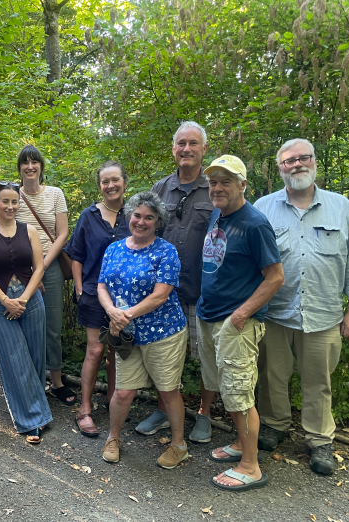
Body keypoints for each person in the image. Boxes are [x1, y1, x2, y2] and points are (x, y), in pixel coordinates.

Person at [254, 139, 349, 475]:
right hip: (274, 313)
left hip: (323, 314)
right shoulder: (263, 207)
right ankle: (274, 425)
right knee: (272, 374)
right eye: (289, 161)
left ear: (314, 162)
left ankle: (319, 440)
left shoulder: (340, 207)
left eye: (303, 158)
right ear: (279, 168)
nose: (297, 164)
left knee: (318, 380)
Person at [197, 155, 284, 491]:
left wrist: (242, 313)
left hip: (236, 323)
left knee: (239, 394)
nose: (217, 188)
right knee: (229, 390)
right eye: (213, 182)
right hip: (211, 316)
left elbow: (276, 278)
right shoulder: (219, 214)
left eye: (226, 181)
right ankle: (239, 444)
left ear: (242, 185)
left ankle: (251, 466)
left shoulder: (255, 223)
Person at [97, 192, 190, 469]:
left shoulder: (166, 251)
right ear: (129, 216)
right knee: (123, 392)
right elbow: (101, 285)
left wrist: (124, 315)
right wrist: (112, 312)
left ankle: (179, 445)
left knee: (168, 390)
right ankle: (113, 438)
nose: (141, 221)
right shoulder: (113, 249)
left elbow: (161, 295)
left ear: (158, 222)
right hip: (127, 334)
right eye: (137, 215)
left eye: (149, 217)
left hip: (163, 332)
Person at [139, 121, 216, 443]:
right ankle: (162, 409)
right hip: (165, 292)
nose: (186, 149)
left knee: (207, 357)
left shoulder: (215, 188)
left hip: (204, 291)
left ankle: (205, 414)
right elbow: (145, 234)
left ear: (203, 149)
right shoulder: (160, 190)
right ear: (173, 149)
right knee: (164, 354)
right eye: (181, 143)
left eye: (193, 143)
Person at [0, 182, 52, 443]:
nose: (10, 206)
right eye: (5, 201)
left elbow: (39, 268)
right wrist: (7, 300)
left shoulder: (29, 230)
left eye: (14, 201)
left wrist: (24, 299)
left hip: (31, 301)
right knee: (14, 359)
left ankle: (36, 407)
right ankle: (32, 419)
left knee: (34, 357)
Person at [64, 161, 130, 437]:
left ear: (125, 182)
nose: (110, 185)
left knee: (118, 352)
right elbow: (75, 255)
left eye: (115, 180)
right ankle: (85, 408)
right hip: (92, 292)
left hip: (127, 299)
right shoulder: (88, 216)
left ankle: (114, 404)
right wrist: (79, 290)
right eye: (105, 181)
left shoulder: (134, 214)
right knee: (95, 350)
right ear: (99, 186)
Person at [15, 145, 73, 404]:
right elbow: (7, 232)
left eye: (34, 162)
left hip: (49, 268)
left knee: (52, 328)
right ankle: (31, 381)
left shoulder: (55, 194)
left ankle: (57, 382)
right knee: (27, 328)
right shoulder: (13, 195)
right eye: (25, 162)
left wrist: (42, 266)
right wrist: (29, 270)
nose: (30, 166)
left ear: (41, 166)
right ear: (19, 168)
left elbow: (62, 233)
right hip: (19, 270)